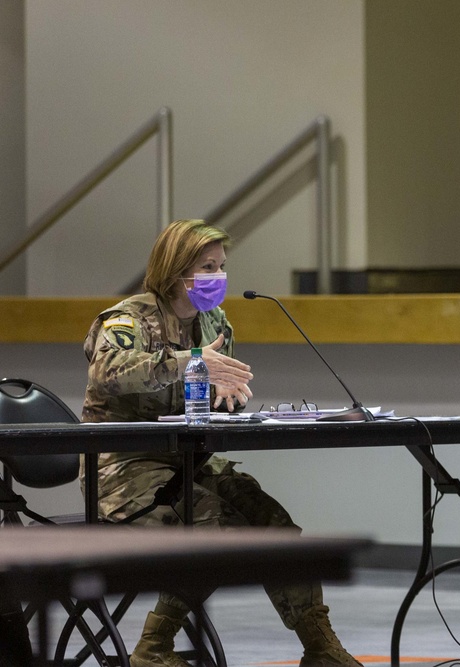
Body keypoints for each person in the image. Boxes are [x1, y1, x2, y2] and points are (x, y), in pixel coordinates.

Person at [81, 219, 363, 667]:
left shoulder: (214, 322)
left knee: (275, 526)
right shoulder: (128, 318)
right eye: (205, 266)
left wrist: (229, 401)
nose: (216, 277)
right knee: (214, 528)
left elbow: (209, 397)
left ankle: (321, 648)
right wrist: (191, 361)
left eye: (221, 266)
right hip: (122, 470)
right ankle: (152, 650)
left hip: (188, 461)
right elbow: (108, 372)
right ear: (174, 270)